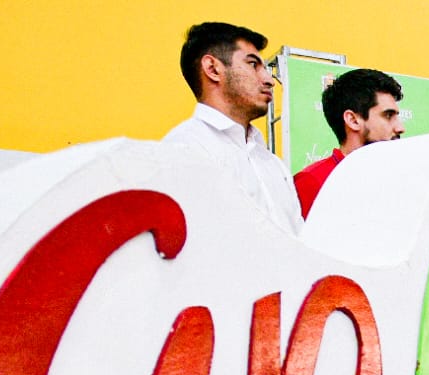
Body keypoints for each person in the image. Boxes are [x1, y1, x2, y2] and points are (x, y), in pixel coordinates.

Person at [164, 22, 301, 233]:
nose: (269, 80)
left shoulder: (272, 163)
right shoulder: (183, 150)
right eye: (253, 64)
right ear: (213, 69)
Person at [292, 67, 404, 217]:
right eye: (388, 115)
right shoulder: (313, 182)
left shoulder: (397, 179)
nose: (400, 128)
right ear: (353, 120)